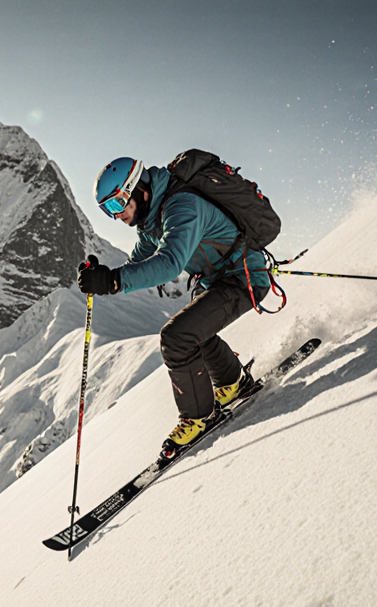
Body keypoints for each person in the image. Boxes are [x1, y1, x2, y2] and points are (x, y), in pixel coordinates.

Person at [78, 156, 272, 459]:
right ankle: (233, 384)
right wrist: (102, 278)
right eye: (107, 211)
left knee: (176, 336)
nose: (117, 216)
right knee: (192, 329)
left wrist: (115, 281)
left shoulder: (181, 206)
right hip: (218, 281)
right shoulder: (150, 222)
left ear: (138, 189)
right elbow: (136, 265)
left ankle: (198, 417)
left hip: (242, 277)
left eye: (117, 205)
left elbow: (168, 264)